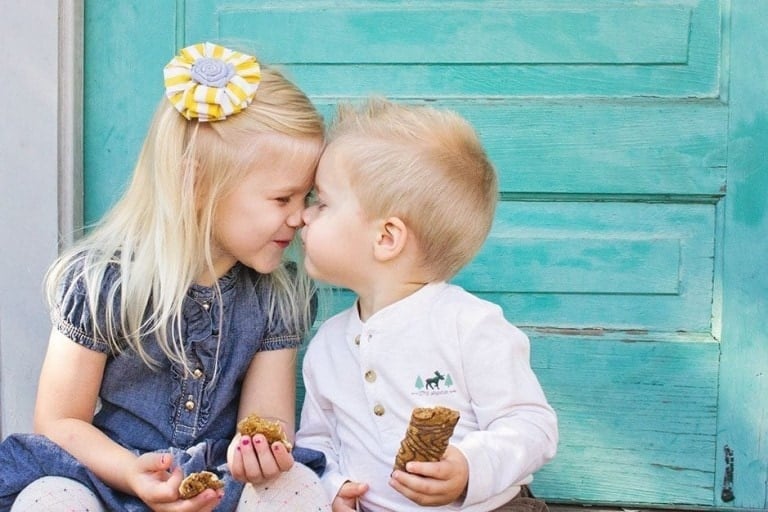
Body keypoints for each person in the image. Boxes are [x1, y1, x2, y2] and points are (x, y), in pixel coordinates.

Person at [0, 42, 330, 512]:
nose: (299, 218)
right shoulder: (104, 283)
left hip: (223, 485)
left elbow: (266, 420)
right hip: (111, 479)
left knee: (293, 483)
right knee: (47, 498)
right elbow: (58, 421)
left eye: (307, 197)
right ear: (196, 184)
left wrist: (258, 455)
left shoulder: (276, 297)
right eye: (282, 199)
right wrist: (131, 473)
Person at [295, 98, 559, 511]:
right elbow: (316, 444)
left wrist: (471, 466)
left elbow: (532, 426)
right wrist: (333, 486)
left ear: (386, 238)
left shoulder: (468, 325)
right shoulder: (327, 345)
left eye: (322, 203)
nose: (304, 217)